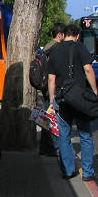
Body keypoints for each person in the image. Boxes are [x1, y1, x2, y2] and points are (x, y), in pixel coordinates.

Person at [47, 24, 98, 181]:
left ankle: (68, 170)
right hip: (80, 98)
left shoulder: (55, 51)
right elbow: (88, 69)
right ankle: (88, 172)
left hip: (62, 98)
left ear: (63, 35)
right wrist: (95, 91)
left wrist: (52, 100)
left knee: (64, 135)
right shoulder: (80, 48)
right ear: (77, 36)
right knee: (85, 134)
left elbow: (51, 78)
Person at [39, 22, 65, 156]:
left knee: (47, 117)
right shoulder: (57, 48)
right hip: (52, 87)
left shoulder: (48, 46)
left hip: (45, 86)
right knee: (53, 118)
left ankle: (45, 147)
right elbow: (53, 73)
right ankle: (51, 148)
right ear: (60, 34)